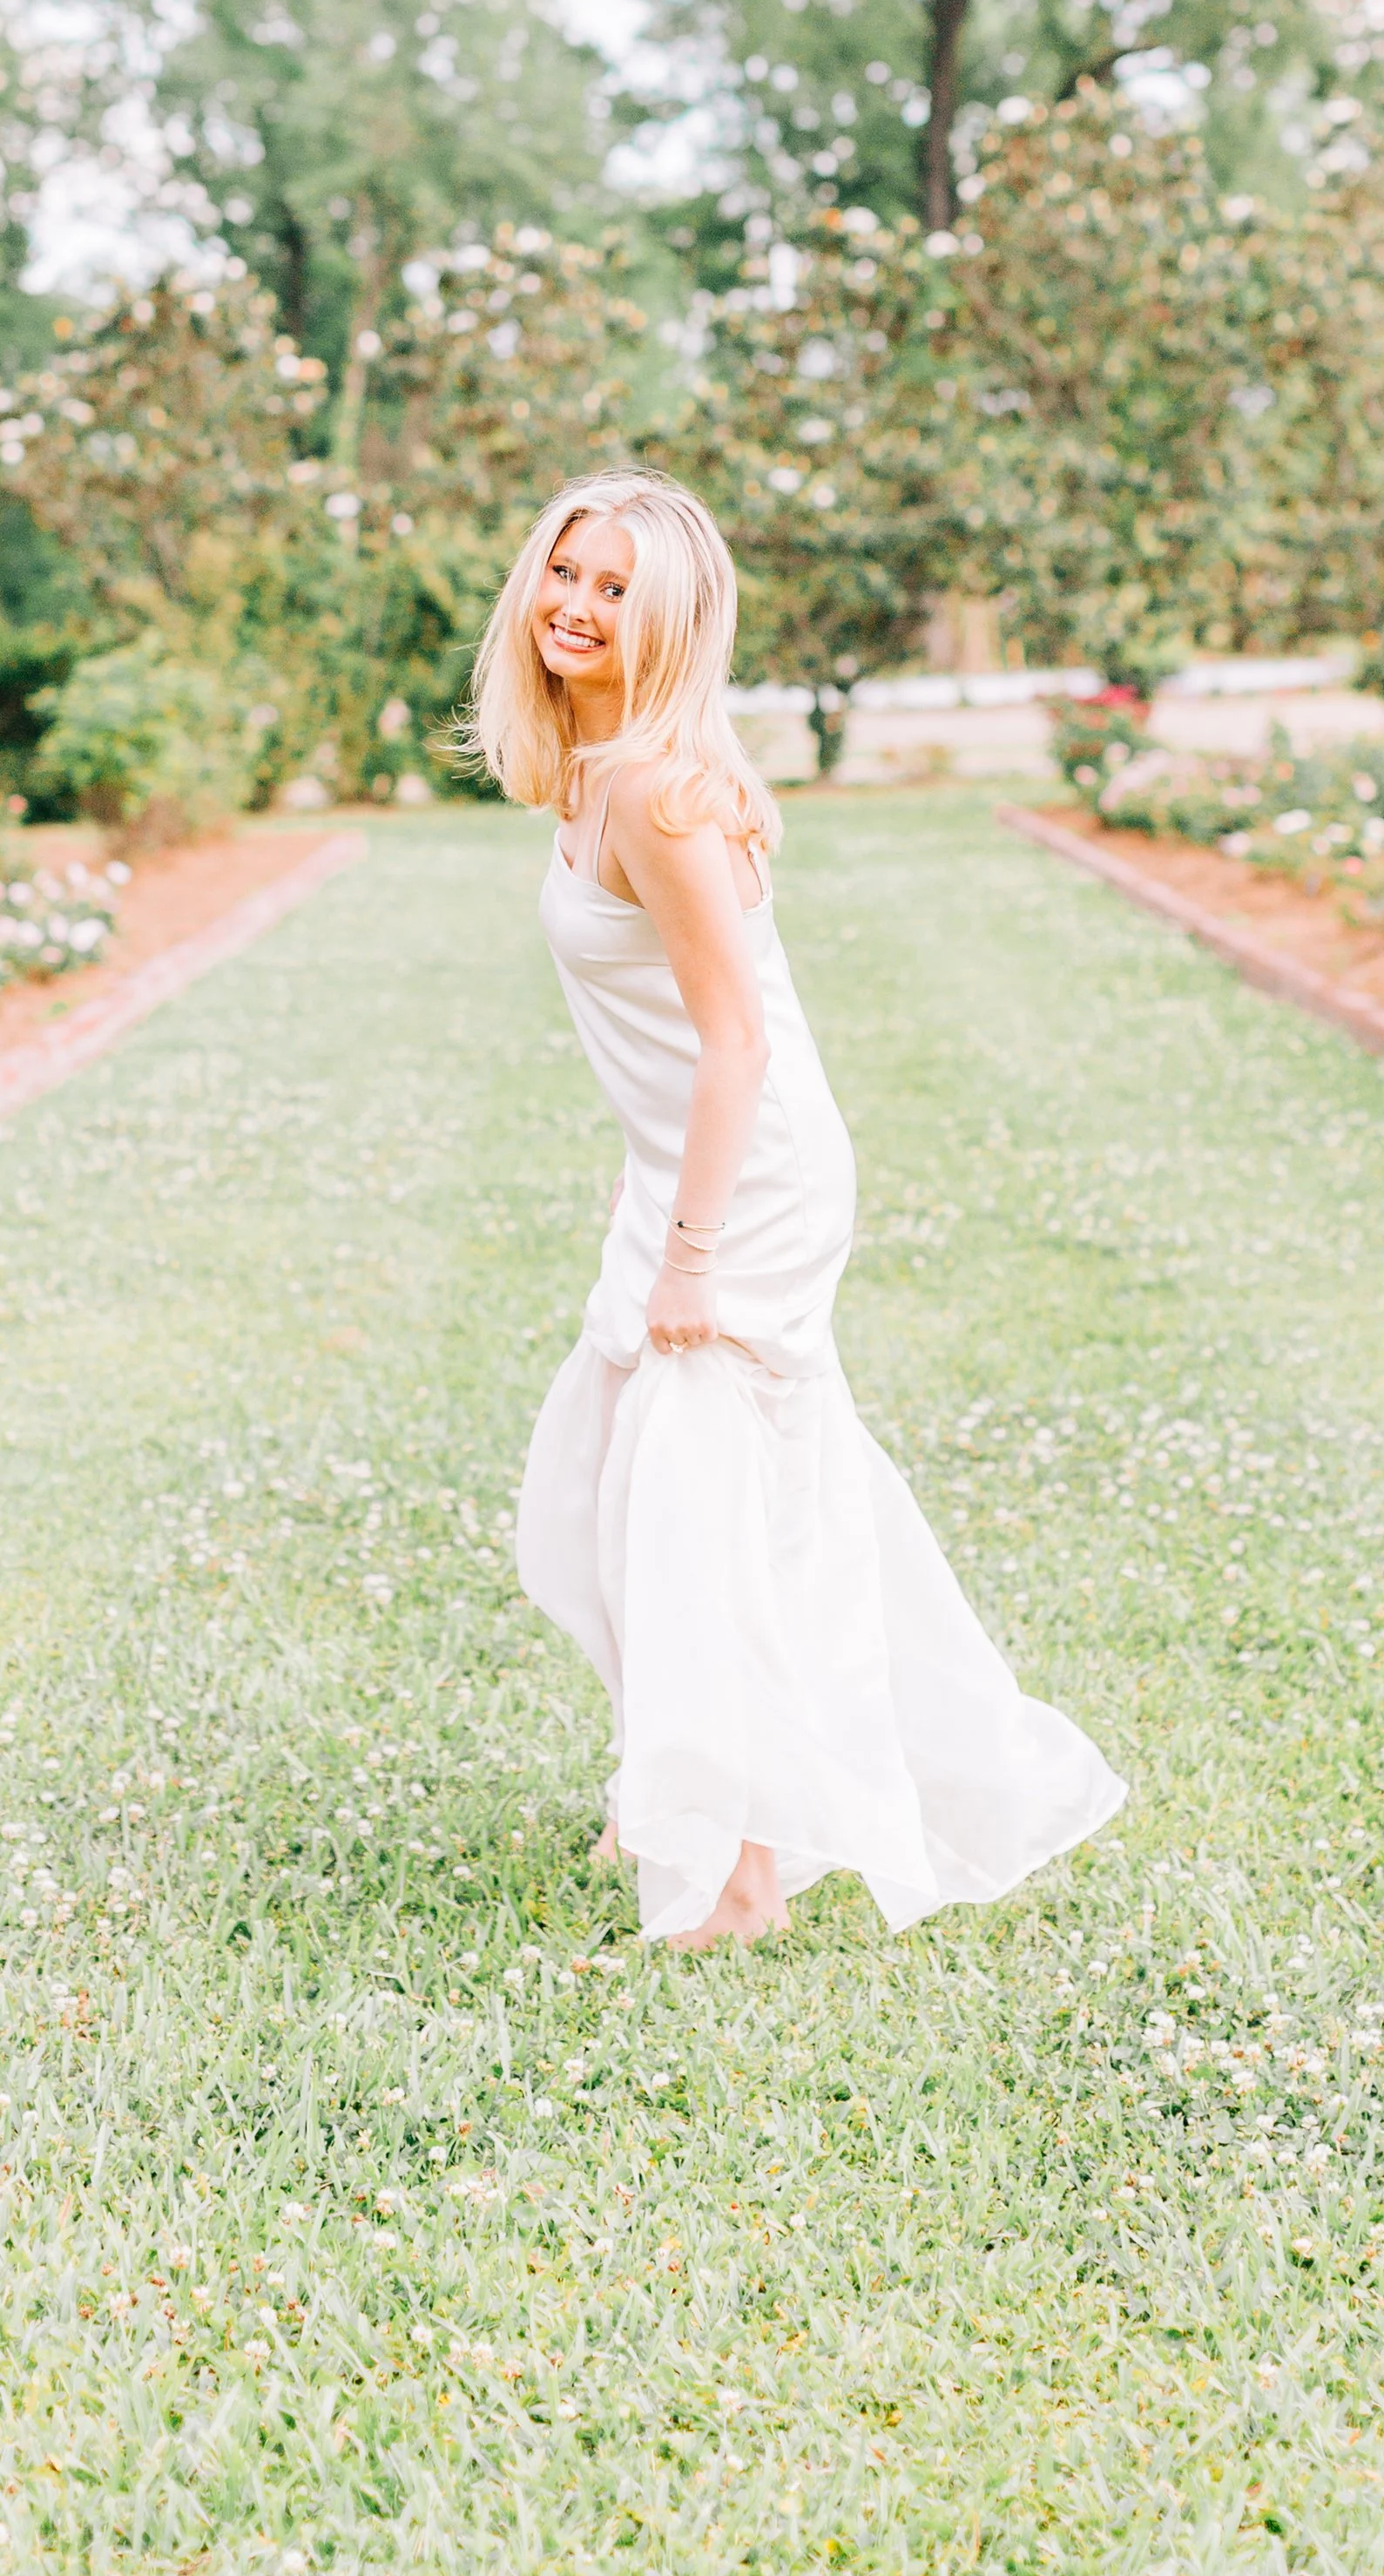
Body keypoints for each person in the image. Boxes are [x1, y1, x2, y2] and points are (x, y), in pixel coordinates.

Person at [466, 470, 1125, 1949]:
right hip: (683, 1166)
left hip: (749, 1180)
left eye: (616, 586)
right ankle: (673, 1792)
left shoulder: (658, 791)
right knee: (615, 1483)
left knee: (702, 1503)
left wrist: (693, 1251)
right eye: (566, 571)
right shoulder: (595, 766)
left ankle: (745, 1869)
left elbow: (740, 1043)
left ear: (672, 617)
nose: (576, 603)